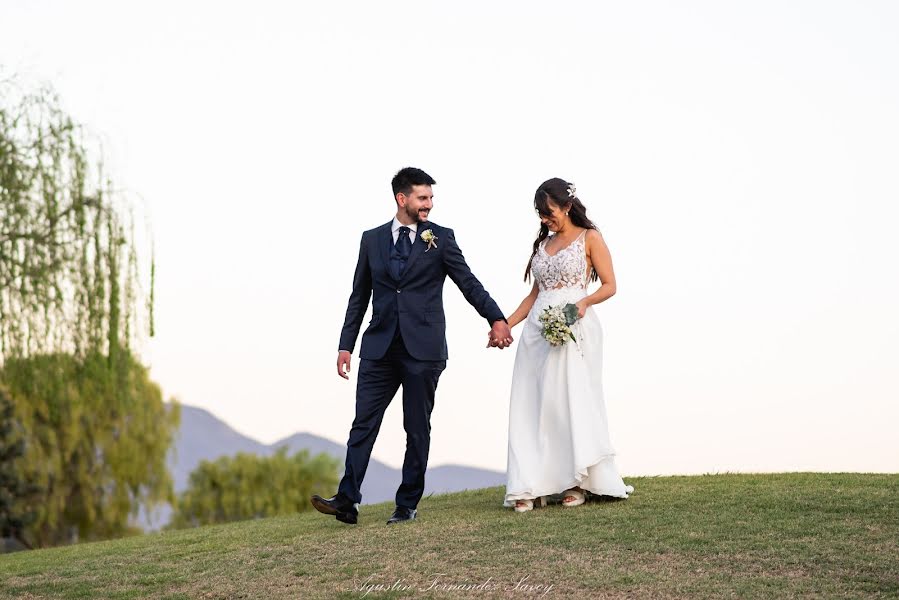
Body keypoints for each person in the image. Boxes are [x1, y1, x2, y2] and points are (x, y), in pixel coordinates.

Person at [311, 167, 513, 525]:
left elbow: (469, 283)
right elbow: (358, 297)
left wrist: (496, 318)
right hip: (379, 348)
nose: (429, 205)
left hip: (424, 350)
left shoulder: (441, 238)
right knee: (363, 425)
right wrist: (346, 344)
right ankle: (347, 500)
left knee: (416, 427)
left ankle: (407, 504)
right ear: (401, 199)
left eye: (431, 198)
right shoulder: (371, 240)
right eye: (423, 198)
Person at [502, 177, 634, 512]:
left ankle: (575, 482)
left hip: (573, 326)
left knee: (566, 401)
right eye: (540, 214)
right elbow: (534, 294)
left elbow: (610, 285)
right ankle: (533, 484)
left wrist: (582, 305)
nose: (545, 219)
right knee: (532, 404)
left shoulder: (591, 238)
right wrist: (505, 324)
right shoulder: (543, 244)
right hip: (537, 332)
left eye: (549, 212)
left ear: (567, 206)